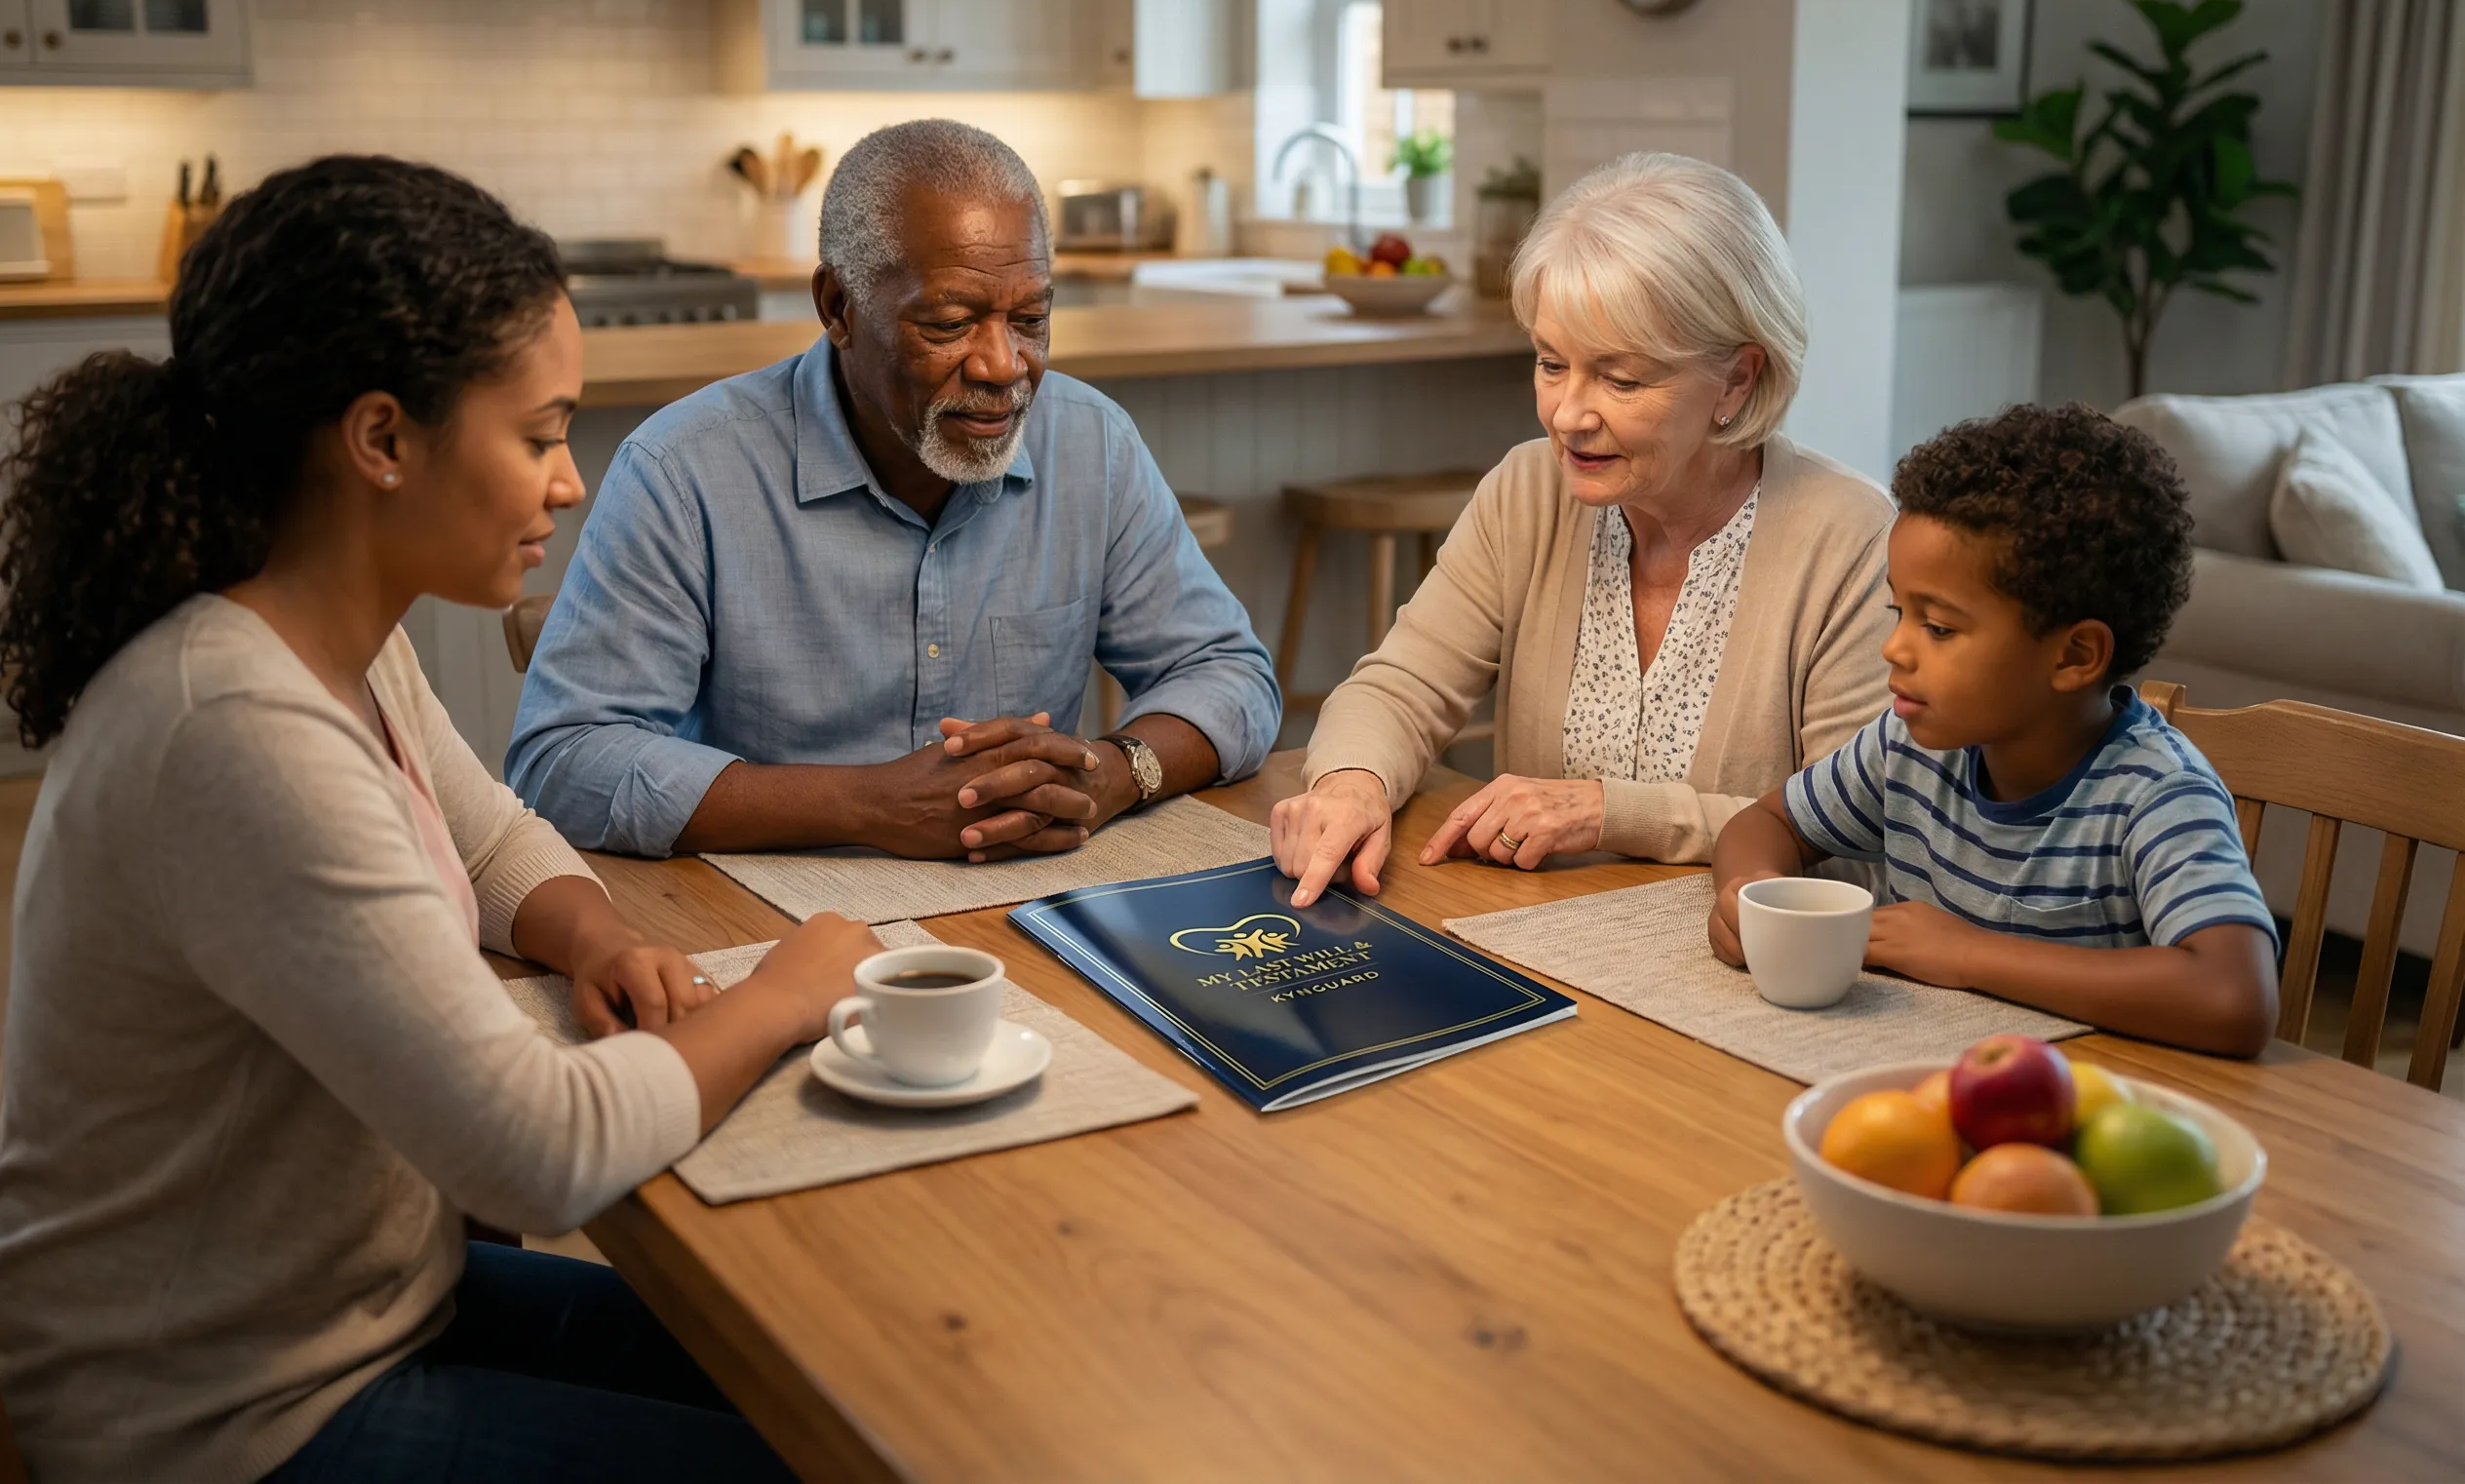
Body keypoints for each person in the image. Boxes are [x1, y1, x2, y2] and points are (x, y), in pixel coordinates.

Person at [0, 155, 877, 1482]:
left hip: (353, 1300)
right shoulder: (233, 728)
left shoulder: (327, 631)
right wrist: (788, 990)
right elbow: (540, 1153)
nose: (568, 481)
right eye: (538, 435)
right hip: (218, 1411)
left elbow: (484, 838)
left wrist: (591, 938)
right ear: (382, 441)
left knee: (815, 1370)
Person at [507, 118, 1279, 861]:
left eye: (1032, 319)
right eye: (949, 323)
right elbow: (563, 760)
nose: (1003, 365)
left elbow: (1229, 675)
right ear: (838, 308)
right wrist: (869, 807)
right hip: (765, 913)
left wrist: (1115, 774)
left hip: (1026, 898)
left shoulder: (1090, 442)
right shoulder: (686, 470)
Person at [1272, 151, 1895, 906]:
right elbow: (1400, 688)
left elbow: (1858, 838)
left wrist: (1609, 812)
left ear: (1739, 378)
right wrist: (1352, 785)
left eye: (1622, 379)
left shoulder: (1850, 536)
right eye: (1550, 363)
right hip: (1534, 936)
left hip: (1735, 971)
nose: (1568, 415)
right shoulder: (1526, 491)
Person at [1708, 405, 2280, 1057]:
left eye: (1940, 628)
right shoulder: (1910, 748)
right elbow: (1767, 824)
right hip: (1917, 1070)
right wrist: (1749, 897)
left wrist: (1969, 954)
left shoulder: (2156, 793)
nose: (1895, 648)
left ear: (2073, 657)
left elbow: (2235, 998)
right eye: (1900, 611)